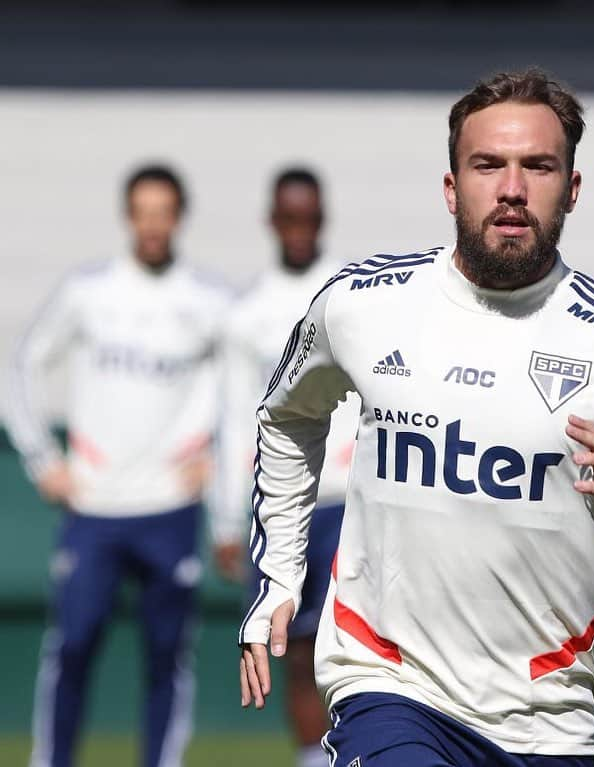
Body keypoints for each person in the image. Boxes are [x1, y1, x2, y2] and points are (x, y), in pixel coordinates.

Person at [238, 70, 594, 766]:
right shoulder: (360, 305)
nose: (511, 188)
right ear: (449, 186)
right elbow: (286, 417)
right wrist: (280, 576)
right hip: (390, 687)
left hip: (547, 721)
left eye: (538, 166)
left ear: (573, 188)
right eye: (487, 164)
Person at [6, 165, 231, 767]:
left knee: (166, 656)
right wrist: (42, 459)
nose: (153, 224)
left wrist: (220, 455)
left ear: (179, 217)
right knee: (73, 646)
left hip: (169, 509)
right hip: (94, 507)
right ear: (128, 216)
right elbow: (20, 367)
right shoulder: (89, 291)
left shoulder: (209, 302)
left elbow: (257, 380)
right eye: (143, 211)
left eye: (164, 212)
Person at [212, 167, 360, 767]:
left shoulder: (350, 291)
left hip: (352, 500)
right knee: (294, 648)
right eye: (290, 218)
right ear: (272, 222)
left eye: (311, 218)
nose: (301, 230)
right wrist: (226, 520)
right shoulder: (246, 313)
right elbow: (233, 420)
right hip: (284, 506)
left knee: (356, 648)